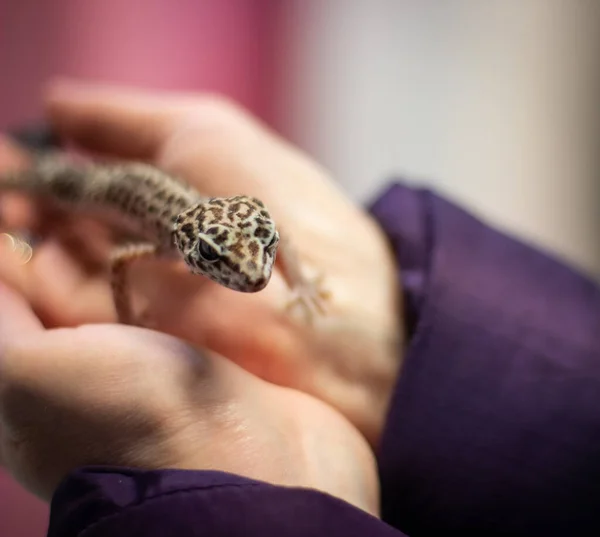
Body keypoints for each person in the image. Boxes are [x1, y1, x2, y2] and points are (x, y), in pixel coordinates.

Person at [0, 80, 598, 537]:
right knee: (37, 185)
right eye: (218, 259)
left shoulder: (237, 233)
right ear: (187, 248)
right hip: (94, 190)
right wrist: (126, 315)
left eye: (255, 252)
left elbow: (275, 240)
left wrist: (315, 282)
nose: (252, 274)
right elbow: (119, 262)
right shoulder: (156, 243)